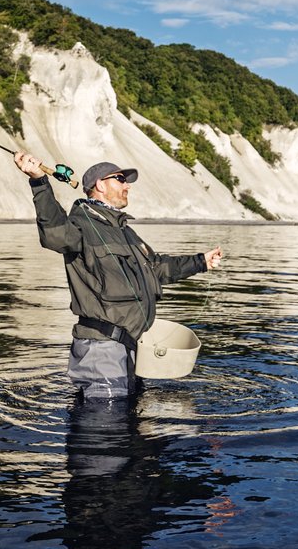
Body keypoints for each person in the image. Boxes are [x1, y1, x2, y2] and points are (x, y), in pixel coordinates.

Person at [14, 151, 223, 399]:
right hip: (101, 351)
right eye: (120, 179)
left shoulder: (125, 232)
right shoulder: (80, 225)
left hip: (130, 348)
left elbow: (157, 268)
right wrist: (39, 182)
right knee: (105, 428)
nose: (127, 186)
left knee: (127, 424)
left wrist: (200, 262)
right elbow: (54, 234)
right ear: (100, 184)